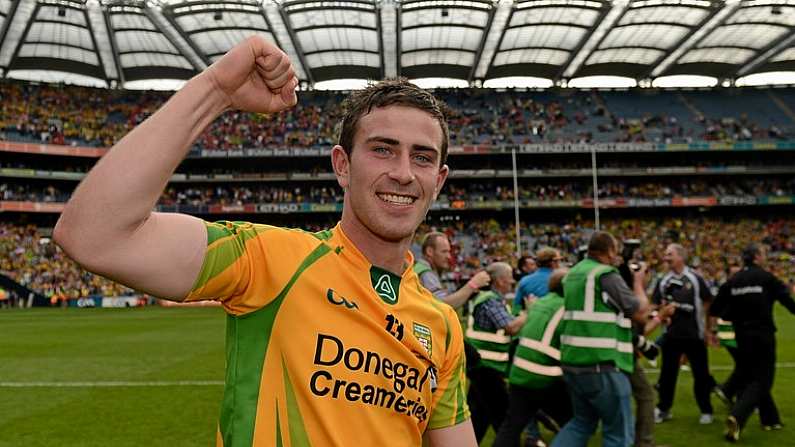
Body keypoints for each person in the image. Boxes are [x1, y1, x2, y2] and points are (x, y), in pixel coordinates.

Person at [53, 36, 476, 446]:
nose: (404, 172)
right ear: (342, 165)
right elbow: (94, 236)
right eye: (383, 149)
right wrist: (217, 90)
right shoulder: (269, 259)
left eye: (422, 157)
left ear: (438, 180)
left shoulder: (441, 325)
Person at [551, 231, 649, 447]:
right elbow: (639, 312)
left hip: (572, 361)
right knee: (618, 433)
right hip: (602, 363)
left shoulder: (573, 273)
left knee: (581, 423)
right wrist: (639, 282)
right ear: (610, 251)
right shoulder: (605, 274)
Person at [710, 243, 795, 442]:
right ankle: (737, 416)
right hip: (763, 336)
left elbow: (716, 309)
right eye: (763, 254)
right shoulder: (766, 278)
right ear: (757, 257)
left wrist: (733, 315)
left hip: (742, 338)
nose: (765, 257)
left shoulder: (734, 281)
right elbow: (787, 301)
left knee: (750, 376)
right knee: (763, 381)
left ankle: (770, 419)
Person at [494, 268, 573, 447]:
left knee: (512, 426)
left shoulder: (539, 303)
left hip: (519, 373)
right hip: (545, 375)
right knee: (574, 423)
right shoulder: (566, 307)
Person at [652, 243, 715, 425]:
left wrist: (706, 325)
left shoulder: (695, 278)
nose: (666, 257)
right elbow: (656, 304)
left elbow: (708, 300)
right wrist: (661, 314)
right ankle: (664, 409)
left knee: (701, 375)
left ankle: (706, 410)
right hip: (671, 336)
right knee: (667, 375)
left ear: (680, 256)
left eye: (669, 254)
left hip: (694, 335)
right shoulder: (663, 280)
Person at [466, 261, 528, 442]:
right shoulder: (490, 301)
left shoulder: (492, 300)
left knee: (479, 418)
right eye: (509, 277)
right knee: (505, 420)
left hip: (483, 368)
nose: (512, 281)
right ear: (500, 280)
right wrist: (528, 313)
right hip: (487, 369)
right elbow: (509, 327)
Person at [414, 231, 490, 309]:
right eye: (444, 251)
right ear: (429, 251)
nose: (449, 256)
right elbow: (444, 306)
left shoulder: (419, 269)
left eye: (449, 252)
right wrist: (474, 284)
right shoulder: (425, 273)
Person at [514, 248, 562, 313]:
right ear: (553, 262)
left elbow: (516, 307)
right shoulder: (561, 279)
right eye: (559, 260)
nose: (560, 264)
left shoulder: (524, 280)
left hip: (533, 318)